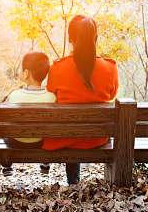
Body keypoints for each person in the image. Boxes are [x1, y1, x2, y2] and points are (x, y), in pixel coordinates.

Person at [43, 14, 119, 185]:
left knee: (70, 130)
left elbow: (51, 96)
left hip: (64, 136)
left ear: (70, 38)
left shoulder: (57, 67)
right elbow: (111, 96)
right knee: (78, 131)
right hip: (97, 137)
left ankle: (73, 181)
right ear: (96, 38)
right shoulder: (110, 67)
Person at [1, 51, 57, 176]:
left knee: (4, 134)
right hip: (40, 141)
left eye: (21, 69)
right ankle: (45, 162)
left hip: (17, 141)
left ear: (26, 73)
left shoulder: (15, 95)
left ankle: (7, 166)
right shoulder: (51, 97)